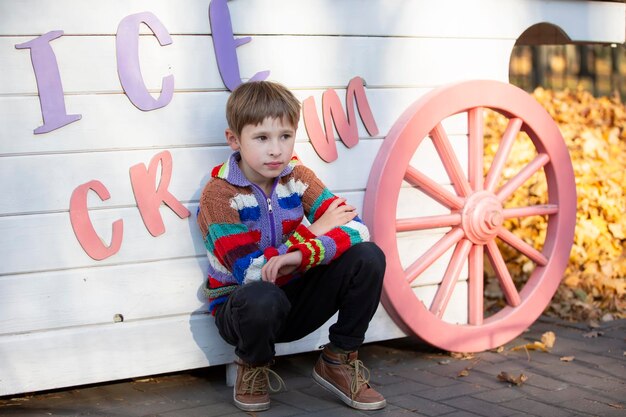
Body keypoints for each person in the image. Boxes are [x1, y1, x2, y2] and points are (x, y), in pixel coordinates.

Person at [197, 80, 386, 412]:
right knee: (262, 294)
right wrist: (315, 233)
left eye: (285, 136)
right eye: (262, 138)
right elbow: (253, 272)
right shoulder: (219, 195)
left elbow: (357, 229)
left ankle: (338, 359)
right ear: (234, 139)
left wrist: (298, 254)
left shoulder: (296, 177)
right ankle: (252, 365)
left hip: (294, 299)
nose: (276, 150)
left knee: (368, 257)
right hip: (243, 312)